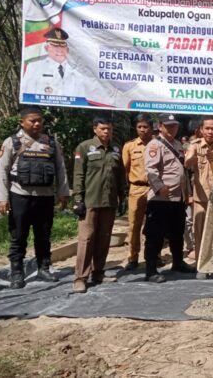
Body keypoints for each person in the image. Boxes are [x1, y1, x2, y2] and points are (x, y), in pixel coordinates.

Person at [0, 106, 70, 288]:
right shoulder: (11, 142)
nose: (37, 124)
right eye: (32, 121)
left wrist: (63, 193)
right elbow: (2, 172)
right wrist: (2, 198)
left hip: (45, 197)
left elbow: (60, 169)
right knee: (18, 236)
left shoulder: (51, 143)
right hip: (20, 195)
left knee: (43, 235)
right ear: (22, 122)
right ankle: (16, 273)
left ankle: (44, 268)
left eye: (40, 120)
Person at [71, 115, 127, 293]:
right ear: (95, 129)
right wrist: (78, 199)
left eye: (109, 129)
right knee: (86, 239)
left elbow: (120, 176)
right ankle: (80, 277)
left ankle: (98, 272)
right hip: (90, 201)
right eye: (103, 128)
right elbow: (78, 175)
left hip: (109, 201)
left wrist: (122, 196)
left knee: (104, 238)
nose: (107, 132)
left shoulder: (116, 148)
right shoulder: (85, 147)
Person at [143, 113, 196, 282]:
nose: (172, 128)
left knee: (177, 232)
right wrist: (159, 188)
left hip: (177, 198)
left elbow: (183, 172)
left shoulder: (178, 144)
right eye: (168, 126)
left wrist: (187, 193)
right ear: (160, 126)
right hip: (161, 199)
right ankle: (151, 270)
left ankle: (178, 262)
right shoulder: (154, 145)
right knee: (155, 235)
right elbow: (151, 170)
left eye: (174, 125)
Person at [183, 115, 213, 279]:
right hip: (201, 197)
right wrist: (192, 158)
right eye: (207, 128)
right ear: (201, 130)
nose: (210, 132)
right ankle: (201, 265)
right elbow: (187, 163)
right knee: (200, 231)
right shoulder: (195, 145)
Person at [121, 114, 155, 271]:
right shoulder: (130, 146)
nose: (142, 130)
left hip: (155, 189)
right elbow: (124, 169)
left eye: (145, 127)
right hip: (136, 188)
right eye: (139, 127)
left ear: (151, 127)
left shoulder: (158, 144)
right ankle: (133, 257)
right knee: (134, 224)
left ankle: (154, 255)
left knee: (154, 224)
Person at [21, 28, 86, 97]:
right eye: (55, 46)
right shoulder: (34, 68)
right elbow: (27, 96)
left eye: (62, 46)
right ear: (46, 48)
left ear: (67, 49)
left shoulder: (76, 71)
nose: (59, 50)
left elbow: (80, 99)